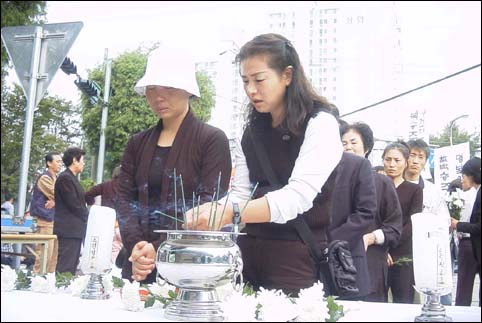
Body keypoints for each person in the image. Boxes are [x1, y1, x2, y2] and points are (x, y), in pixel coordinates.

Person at [185, 33, 343, 296]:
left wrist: (231, 213)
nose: (250, 90)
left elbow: (297, 198)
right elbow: (241, 193)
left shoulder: (320, 124)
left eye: (259, 80)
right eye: (245, 81)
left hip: (295, 260)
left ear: (287, 76)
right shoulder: (253, 130)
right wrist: (214, 209)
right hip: (248, 257)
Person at [117, 45, 232, 284]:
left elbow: (207, 204)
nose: (159, 96)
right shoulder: (136, 143)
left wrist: (158, 249)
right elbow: (125, 201)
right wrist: (137, 248)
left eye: (168, 87)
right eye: (151, 89)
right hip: (138, 265)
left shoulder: (211, 139)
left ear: (188, 90)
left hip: (188, 266)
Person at [340, 122, 402, 302]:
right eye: (343, 143)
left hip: (370, 264)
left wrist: (371, 237)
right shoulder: (329, 182)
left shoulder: (382, 183)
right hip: (337, 266)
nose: (348, 147)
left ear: (366, 148)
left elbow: (394, 228)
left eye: (353, 142)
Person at [405, 139, 452, 305]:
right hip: (399, 251)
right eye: (412, 155)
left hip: (424, 252)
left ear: (426, 161)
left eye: (421, 156)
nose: (416, 161)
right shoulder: (392, 183)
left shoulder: (433, 190)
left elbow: (443, 221)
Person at [383, 142, 423, 304]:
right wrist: (382, 249)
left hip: (403, 254)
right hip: (378, 254)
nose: (392, 164)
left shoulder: (414, 190)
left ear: (406, 162)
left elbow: (412, 223)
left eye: (397, 160)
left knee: (403, 302)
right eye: (388, 159)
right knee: (377, 302)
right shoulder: (374, 186)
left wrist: (391, 246)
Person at [53, 147, 88, 275]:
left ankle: (64, 287)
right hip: (68, 229)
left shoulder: (71, 178)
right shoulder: (65, 178)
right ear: (75, 160)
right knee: (66, 266)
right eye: (82, 160)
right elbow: (74, 204)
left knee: (71, 265)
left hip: (74, 230)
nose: (84, 163)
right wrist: (90, 216)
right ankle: (60, 289)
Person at [451, 157, 481, 306]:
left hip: (470, 244)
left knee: (464, 287)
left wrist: (457, 224)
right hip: (473, 245)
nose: (462, 180)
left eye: (463, 176)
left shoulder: (470, 195)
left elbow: (478, 226)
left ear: (471, 175)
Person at [30, 152, 63, 273]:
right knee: (44, 254)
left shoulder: (57, 178)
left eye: (61, 162)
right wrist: (58, 199)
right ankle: (37, 280)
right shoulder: (45, 178)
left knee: (54, 256)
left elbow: (62, 196)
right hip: (45, 220)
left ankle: (48, 281)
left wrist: (55, 201)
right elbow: (59, 194)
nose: (60, 164)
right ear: (49, 163)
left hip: (55, 220)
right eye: (57, 161)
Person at [85, 166, 123, 263]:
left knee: (103, 249)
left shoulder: (105, 185)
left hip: (106, 222)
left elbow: (88, 194)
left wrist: (93, 205)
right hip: (121, 223)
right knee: (118, 249)